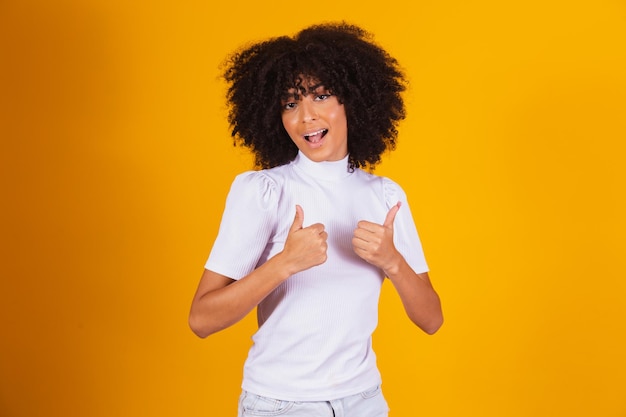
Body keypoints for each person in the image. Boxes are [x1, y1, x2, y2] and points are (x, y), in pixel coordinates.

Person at [189, 22, 443, 417]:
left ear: (352, 102)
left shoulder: (385, 196)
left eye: (321, 96)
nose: (306, 116)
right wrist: (285, 263)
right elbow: (202, 319)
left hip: (364, 401)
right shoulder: (263, 191)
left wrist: (392, 261)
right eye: (290, 103)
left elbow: (431, 319)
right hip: (281, 404)